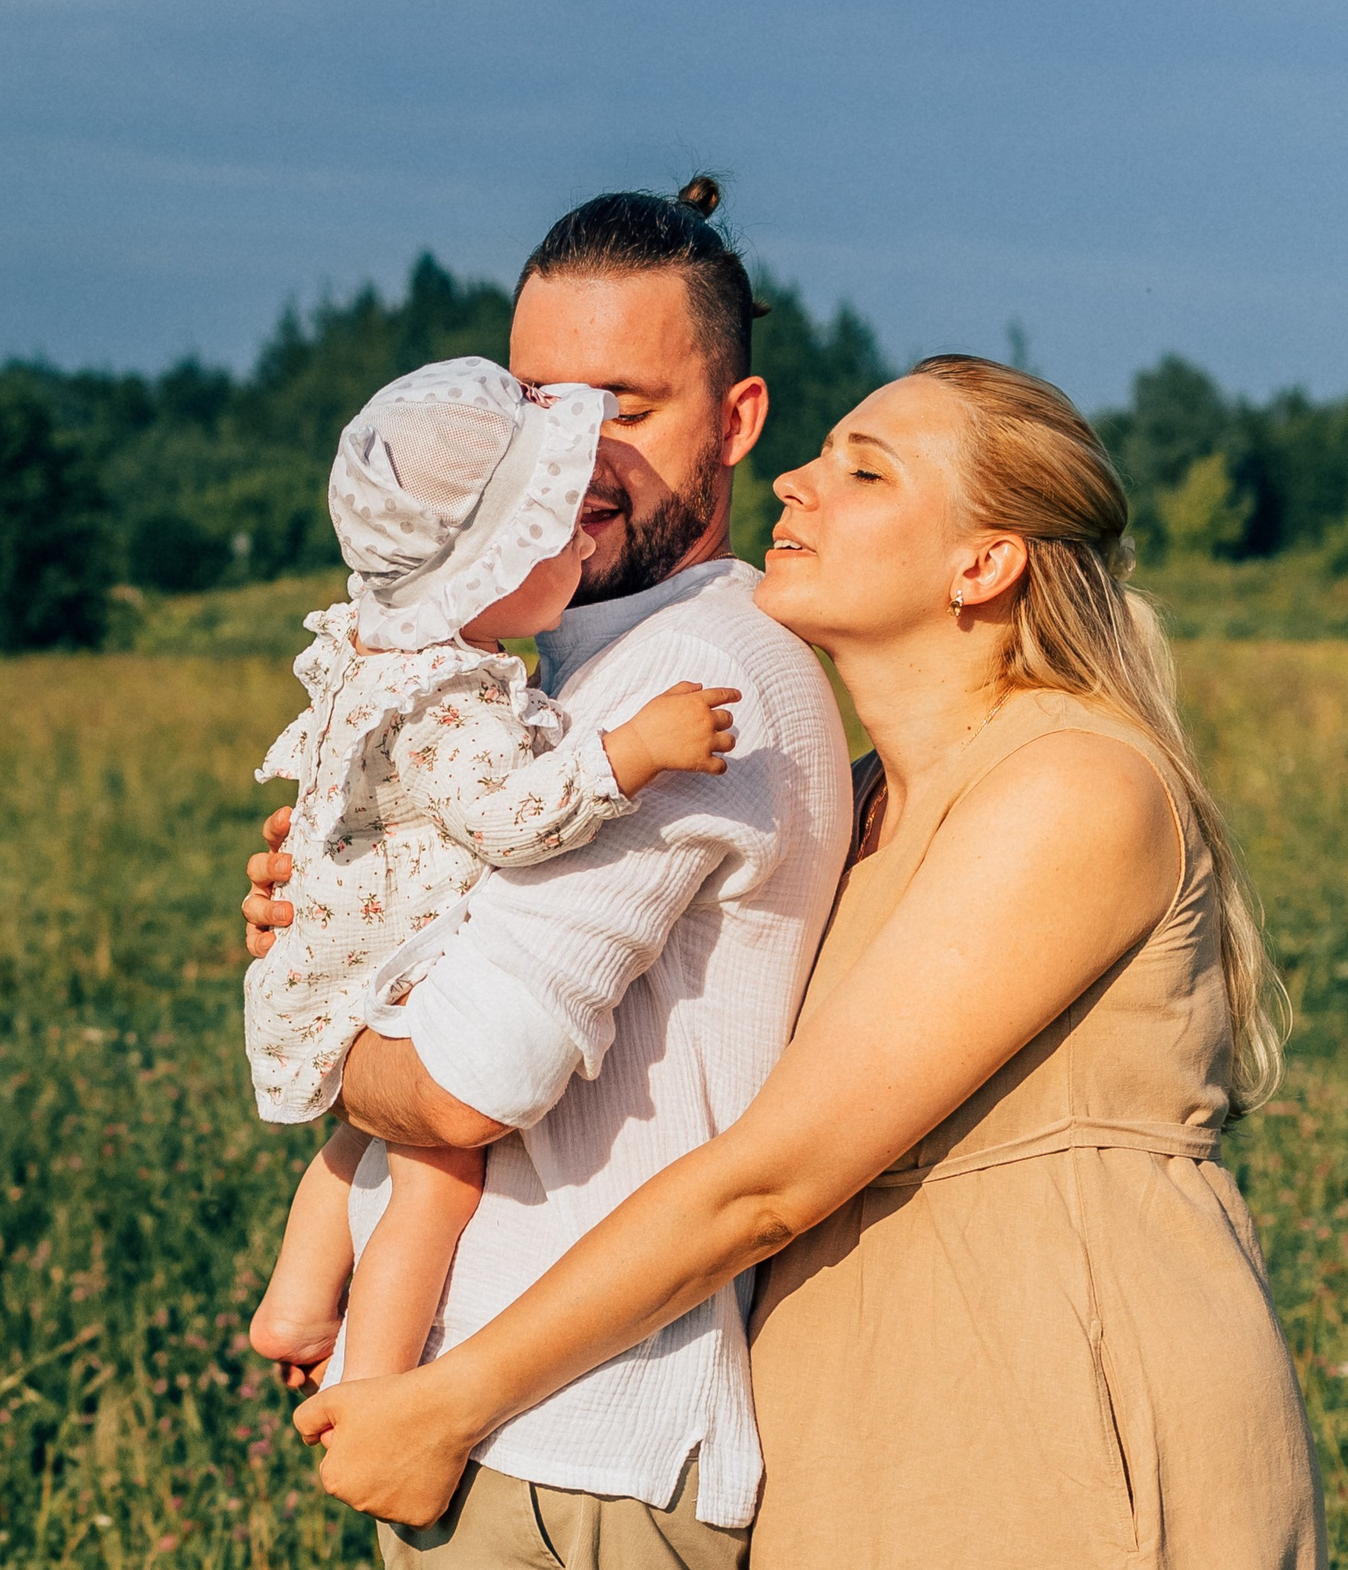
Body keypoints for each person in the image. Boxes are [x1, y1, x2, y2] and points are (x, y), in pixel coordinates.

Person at [287, 356, 1324, 1567]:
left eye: (862, 469)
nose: (794, 482)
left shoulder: (1070, 787)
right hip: (852, 1422)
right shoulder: (868, 800)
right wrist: (333, 912)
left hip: (1058, 1401)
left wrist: (451, 1399)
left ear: (982, 565)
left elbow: (766, 1179)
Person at [245, 175, 854, 1566]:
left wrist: (310, 999)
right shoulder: (557, 680)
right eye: (538, 403)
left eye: (625, 408)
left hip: (576, 1456)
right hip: (515, 1430)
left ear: (738, 424)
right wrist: (344, 904)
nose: (574, 453)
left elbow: (472, 1078)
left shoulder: (688, 678)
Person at [243, 358, 741, 1389]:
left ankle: (296, 1298)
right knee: (437, 1173)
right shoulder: (453, 699)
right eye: (547, 529)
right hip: (389, 962)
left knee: (360, 1137)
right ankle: (377, 1381)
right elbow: (510, 820)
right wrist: (629, 753)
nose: (576, 534)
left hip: (345, 956)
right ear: (488, 567)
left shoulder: (384, 661)